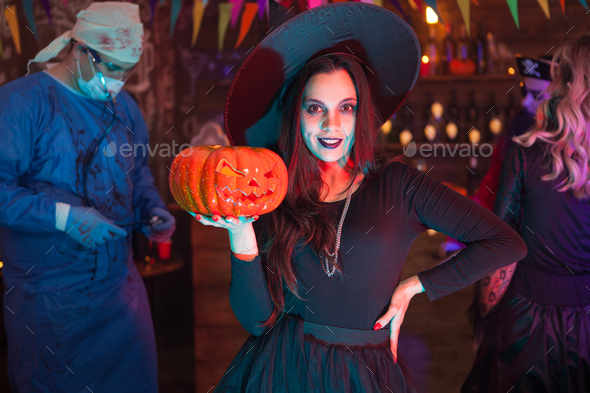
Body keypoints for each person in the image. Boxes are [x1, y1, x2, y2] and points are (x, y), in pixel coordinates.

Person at [194, 3, 526, 392]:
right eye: (315, 108)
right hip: (282, 369)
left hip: (366, 375)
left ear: (361, 113)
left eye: (345, 109)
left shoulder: (400, 185)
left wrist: (415, 287)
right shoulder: (272, 190)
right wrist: (241, 234)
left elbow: (506, 243)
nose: (331, 125)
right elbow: (256, 321)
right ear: (295, 116)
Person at [0, 2, 175, 392]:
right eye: (110, 67)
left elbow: (138, 170)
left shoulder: (124, 107)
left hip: (119, 295)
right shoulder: (22, 103)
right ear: (80, 50)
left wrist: (153, 207)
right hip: (48, 301)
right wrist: (64, 217)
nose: (118, 80)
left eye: (126, 70)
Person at [462, 34, 590, 392]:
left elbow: (502, 249)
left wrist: (485, 319)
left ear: (566, 83)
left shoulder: (526, 151)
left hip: (528, 322)